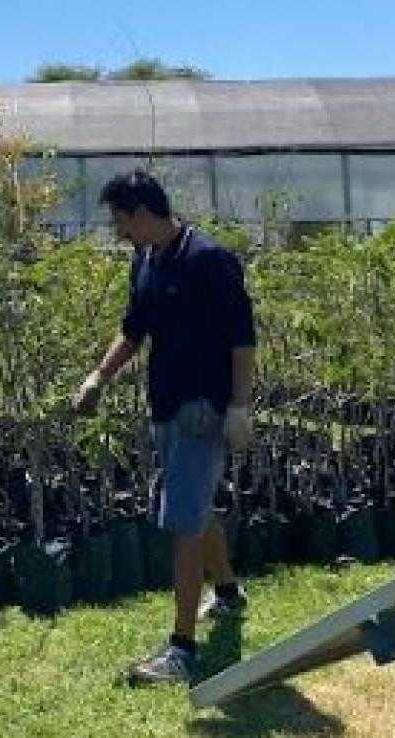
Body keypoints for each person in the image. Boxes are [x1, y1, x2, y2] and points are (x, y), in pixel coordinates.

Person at [73, 169, 257, 685]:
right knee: (194, 505)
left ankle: (181, 650)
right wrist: (98, 377)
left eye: (120, 222)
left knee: (182, 519)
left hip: (205, 407)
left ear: (140, 213)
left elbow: (242, 339)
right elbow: (135, 330)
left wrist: (240, 408)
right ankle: (226, 592)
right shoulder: (146, 260)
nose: (119, 233)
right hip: (167, 405)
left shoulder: (209, 260)